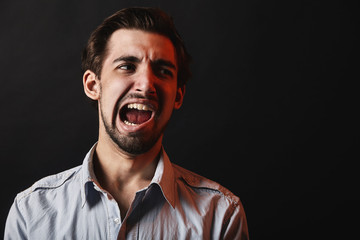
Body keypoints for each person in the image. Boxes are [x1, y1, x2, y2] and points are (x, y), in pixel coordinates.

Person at [4, 7, 249, 239]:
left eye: (163, 71)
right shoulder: (32, 213)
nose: (145, 85)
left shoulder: (220, 216)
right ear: (93, 85)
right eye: (127, 66)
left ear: (178, 96)